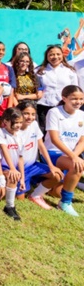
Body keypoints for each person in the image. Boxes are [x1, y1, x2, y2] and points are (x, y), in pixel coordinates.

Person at [42, 85, 84, 216]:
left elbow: (82, 141)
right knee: (78, 167)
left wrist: (74, 156)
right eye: (74, 99)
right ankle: (65, 203)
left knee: (56, 192)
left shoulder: (82, 115)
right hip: (52, 153)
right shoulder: (54, 112)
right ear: (64, 98)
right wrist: (73, 157)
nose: (78, 102)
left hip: (70, 155)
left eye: (81, 99)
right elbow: (54, 139)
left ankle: (54, 188)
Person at [16, 101, 63, 209]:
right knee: (20, 200)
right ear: (18, 113)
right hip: (18, 169)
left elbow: (41, 146)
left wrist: (51, 166)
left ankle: (35, 195)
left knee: (57, 175)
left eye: (33, 114)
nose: (30, 117)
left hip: (32, 165)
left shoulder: (34, 124)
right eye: (26, 113)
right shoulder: (14, 130)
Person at [36, 45, 78, 131]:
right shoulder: (39, 71)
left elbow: (75, 90)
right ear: (46, 56)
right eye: (51, 54)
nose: (55, 57)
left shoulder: (70, 71)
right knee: (45, 132)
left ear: (62, 55)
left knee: (63, 131)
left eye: (58, 54)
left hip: (63, 107)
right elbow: (36, 88)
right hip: (44, 107)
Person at [0, 108, 24, 221]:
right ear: (5, 121)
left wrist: (22, 178)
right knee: (12, 176)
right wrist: (12, 168)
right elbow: (4, 149)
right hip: (0, 167)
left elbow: (20, 157)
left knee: (18, 193)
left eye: (20, 122)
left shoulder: (20, 135)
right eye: (15, 122)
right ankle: (10, 207)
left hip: (13, 167)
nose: (18, 125)